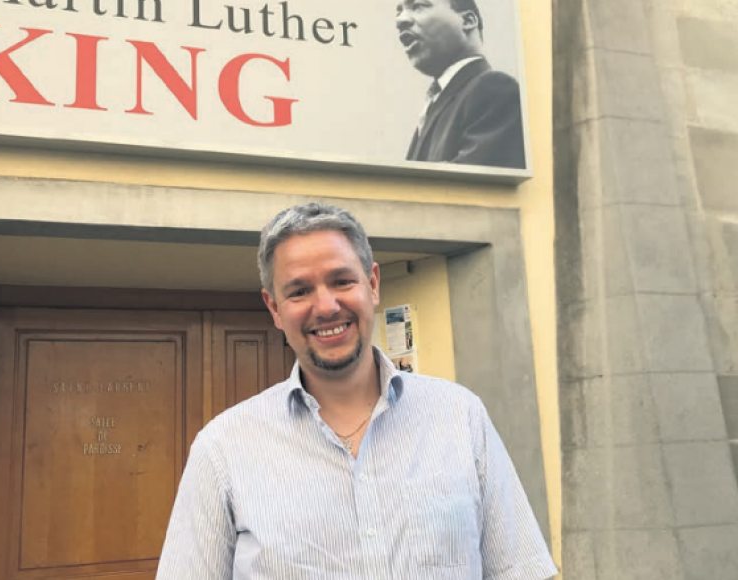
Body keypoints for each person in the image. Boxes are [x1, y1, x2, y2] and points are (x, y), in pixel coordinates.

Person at [156, 203, 557, 579]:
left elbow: (518, 569)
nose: (327, 306)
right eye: (299, 291)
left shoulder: (460, 416)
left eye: (341, 281)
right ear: (274, 308)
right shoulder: (223, 448)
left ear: (373, 284)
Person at [397, 0, 526, 169]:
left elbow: (467, 186)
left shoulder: (494, 89)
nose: (400, 21)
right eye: (398, 12)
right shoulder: (436, 104)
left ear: (468, 21)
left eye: (418, 6)